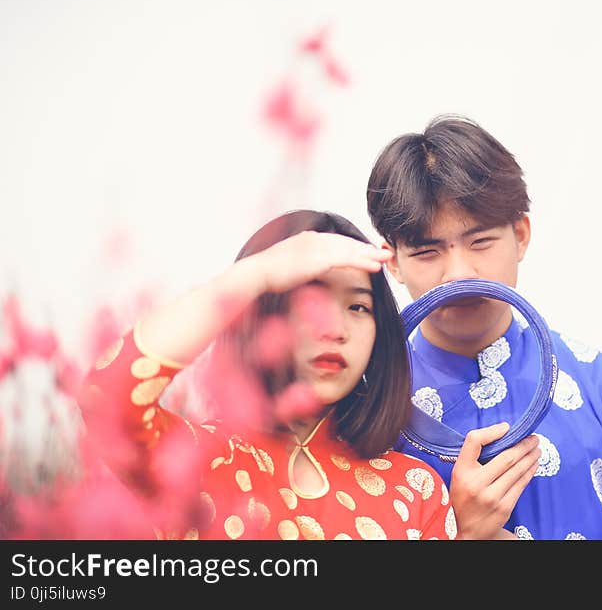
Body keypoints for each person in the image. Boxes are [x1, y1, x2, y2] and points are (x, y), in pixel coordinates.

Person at [366, 115, 602, 540]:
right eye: (426, 251)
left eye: (481, 242)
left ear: (521, 234)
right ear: (393, 261)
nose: (459, 273)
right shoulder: (361, 412)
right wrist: (457, 534)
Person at [78, 210, 457, 540]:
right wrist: (257, 274)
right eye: (309, 301)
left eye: (358, 307)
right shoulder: (198, 459)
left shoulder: (414, 490)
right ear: (257, 313)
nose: (335, 328)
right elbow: (106, 396)